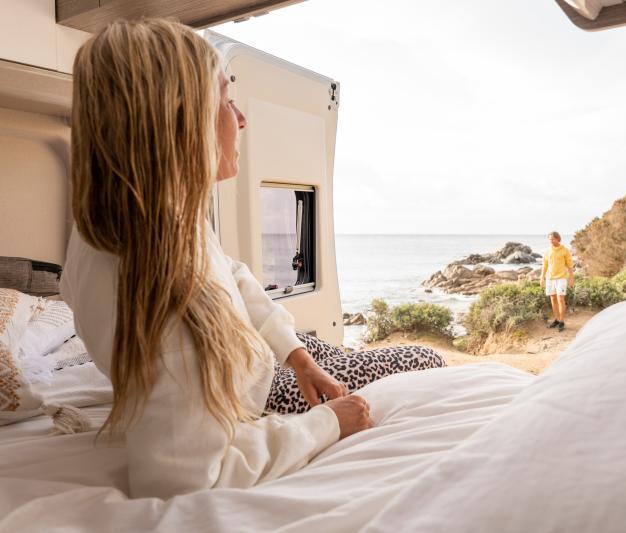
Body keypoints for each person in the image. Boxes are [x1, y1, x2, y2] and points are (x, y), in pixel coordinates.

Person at [60, 19, 443, 500]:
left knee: (358, 354)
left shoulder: (144, 221)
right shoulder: (163, 304)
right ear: (181, 118)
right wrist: (325, 424)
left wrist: (296, 354)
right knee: (424, 358)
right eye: (224, 100)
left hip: (256, 358)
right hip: (251, 396)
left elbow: (232, 276)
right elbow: (188, 478)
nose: (240, 119)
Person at [539, 231, 574, 332]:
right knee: (553, 298)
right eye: (549, 239)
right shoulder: (547, 251)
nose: (551, 241)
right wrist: (542, 277)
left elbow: (570, 265)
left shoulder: (565, 250)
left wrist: (571, 277)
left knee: (560, 299)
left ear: (558, 239)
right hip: (550, 278)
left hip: (561, 278)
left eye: (552, 239)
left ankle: (562, 321)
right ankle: (557, 320)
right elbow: (544, 265)